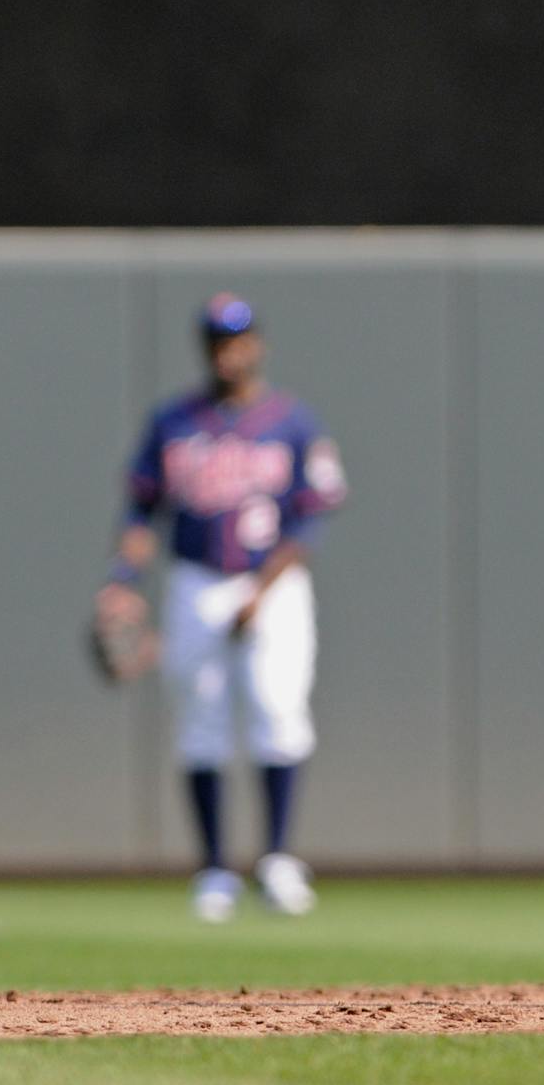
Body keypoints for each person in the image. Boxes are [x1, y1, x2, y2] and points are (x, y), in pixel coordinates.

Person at [95, 294, 347, 922]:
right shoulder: (175, 422)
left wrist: (260, 593)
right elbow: (140, 510)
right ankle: (214, 870)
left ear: (256, 344)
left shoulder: (291, 421)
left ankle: (279, 860)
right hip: (195, 582)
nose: (226, 351)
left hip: (273, 583)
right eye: (215, 340)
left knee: (277, 709)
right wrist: (123, 579)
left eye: (236, 339)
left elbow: (311, 522)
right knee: (201, 722)